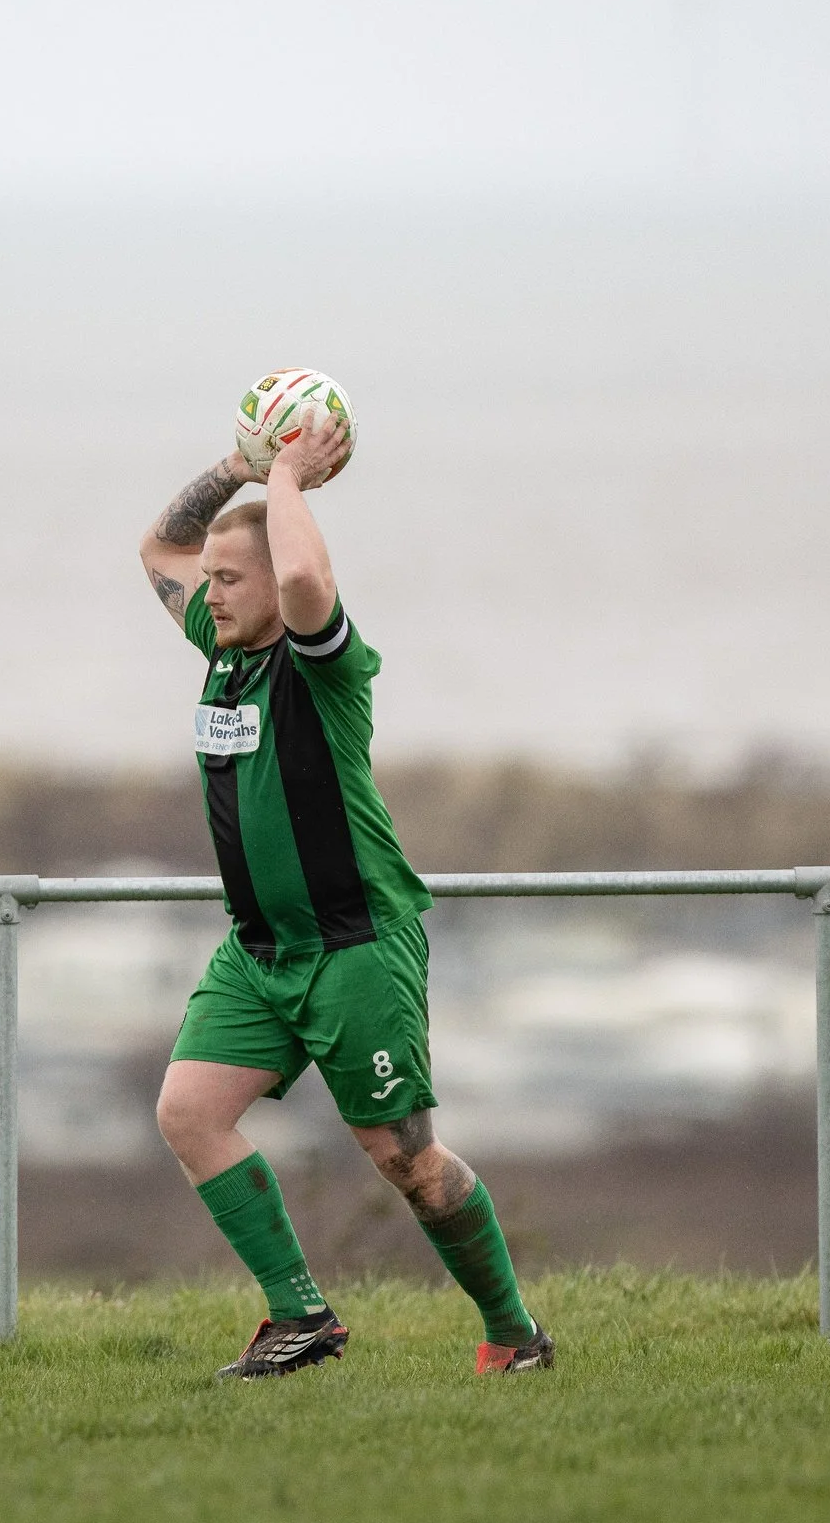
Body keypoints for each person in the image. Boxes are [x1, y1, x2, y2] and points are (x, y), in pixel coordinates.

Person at [137, 412, 551, 1381]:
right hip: (260, 949)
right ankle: (301, 1317)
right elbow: (159, 546)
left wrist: (285, 481)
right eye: (215, 580)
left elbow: (313, 584)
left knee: (406, 1161)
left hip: (355, 944)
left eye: (232, 579)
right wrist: (236, 467)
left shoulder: (322, 665)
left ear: (275, 584)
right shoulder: (223, 646)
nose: (211, 590)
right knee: (189, 1112)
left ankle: (514, 1333)